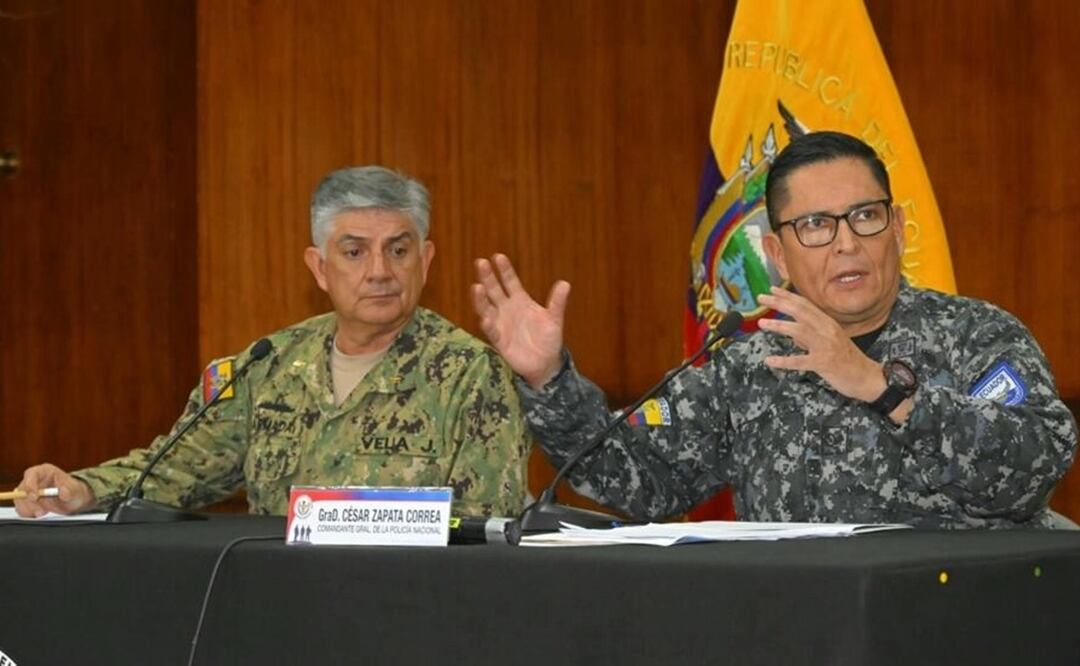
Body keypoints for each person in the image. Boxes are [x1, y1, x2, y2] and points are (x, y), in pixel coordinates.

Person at [471, 131, 1077, 529]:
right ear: (777, 254)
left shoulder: (976, 336)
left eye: (865, 216)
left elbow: (1034, 468)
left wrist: (881, 387)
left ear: (896, 229)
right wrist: (549, 379)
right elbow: (638, 477)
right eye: (815, 225)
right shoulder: (746, 364)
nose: (845, 243)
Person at [17, 166, 528, 518]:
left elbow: (484, 527)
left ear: (426, 261)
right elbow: (175, 470)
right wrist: (84, 488)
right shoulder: (267, 365)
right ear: (319, 267)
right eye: (354, 252)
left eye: (398, 250)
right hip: (277, 607)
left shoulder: (471, 374)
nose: (379, 271)